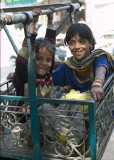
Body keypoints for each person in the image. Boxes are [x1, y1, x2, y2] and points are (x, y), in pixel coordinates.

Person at [52, 23, 114, 101]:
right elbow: (51, 79)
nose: (77, 47)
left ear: (90, 43)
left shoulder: (99, 56)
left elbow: (101, 69)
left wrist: (97, 85)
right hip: (80, 108)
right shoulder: (68, 66)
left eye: (82, 42)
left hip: (103, 106)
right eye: (72, 43)